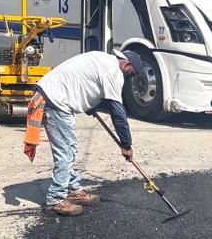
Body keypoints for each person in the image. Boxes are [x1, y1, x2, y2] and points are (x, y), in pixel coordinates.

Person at [24, 49, 137, 216]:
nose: (130, 77)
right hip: (55, 100)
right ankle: (56, 199)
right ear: (127, 64)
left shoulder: (103, 59)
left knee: (70, 147)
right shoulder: (114, 72)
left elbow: (84, 81)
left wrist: (89, 104)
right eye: (132, 74)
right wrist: (126, 145)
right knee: (66, 151)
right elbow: (118, 113)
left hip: (53, 95)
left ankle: (73, 190)